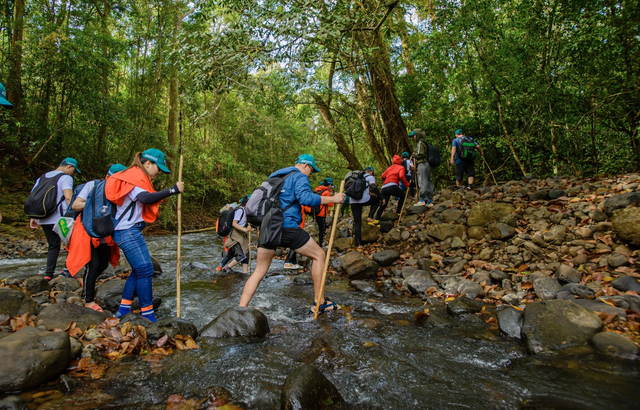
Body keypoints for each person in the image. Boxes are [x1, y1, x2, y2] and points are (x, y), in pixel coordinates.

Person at [239, 154, 345, 314]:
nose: (311, 174)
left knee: (259, 271)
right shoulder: (299, 176)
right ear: (305, 166)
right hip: (286, 226)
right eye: (311, 170)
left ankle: (240, 309)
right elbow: (306, 198)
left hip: (268, 227)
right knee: (319, 255)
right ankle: (320, 302)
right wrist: (334, 198)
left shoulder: (277, 176)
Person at [105, 149, 184, 322]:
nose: (158, 173)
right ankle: (148, 315)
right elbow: (145, 198)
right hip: (127, 230)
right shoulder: (134, 177)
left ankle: (124, 309)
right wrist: (172, 190)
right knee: (146, 270)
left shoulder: (133, 175)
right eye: (158, 168)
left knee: (138, 270)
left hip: (126, 230)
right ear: (148, 163)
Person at [66, 164, 126, 312]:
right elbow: (75, 205)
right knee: (93, 265)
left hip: (105, 232)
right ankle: (88, 300)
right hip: (87, 230)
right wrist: (96, 204)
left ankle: (87, 282)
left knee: (103, 264)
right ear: (107, 177)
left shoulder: (121, 190)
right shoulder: (92, 185)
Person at [29, 158, 80, 280]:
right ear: (69, 167)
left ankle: (48, 275)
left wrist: (33, 216)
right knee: (72, 243)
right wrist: (75, 214)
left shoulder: (42, 177)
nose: (73, 173)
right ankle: (67, 270)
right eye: (74, 170)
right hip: (60, 219)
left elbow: (33, 197)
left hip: (44, 217)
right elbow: (68, 197)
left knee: (53, 246)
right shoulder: (66, 178)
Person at [350, 166, 383, 247]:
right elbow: (374, 187)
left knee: (357, 222)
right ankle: (370, 216)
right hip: (364, 199)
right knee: (376, 200)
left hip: (353, 201)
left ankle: (359, 244)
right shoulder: (370, 177)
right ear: (371, 172)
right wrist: (381, 197)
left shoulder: (356, 177)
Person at [217, 196, 251, 274]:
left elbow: (242, 222)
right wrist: (245, 229)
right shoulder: (240, 210)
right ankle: (226, 269)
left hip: (240, 235)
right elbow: (234, 224)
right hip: (236, 236)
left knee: (240, 254)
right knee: (242, 255)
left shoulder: (244, 211)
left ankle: (244, 273)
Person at [376, 155, 410, 220]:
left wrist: (387, 180)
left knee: (384, 203)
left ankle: (377, 219)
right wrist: (407, 184)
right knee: (402, 196)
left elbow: (382, 176)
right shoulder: (401, 167)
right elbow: (402, 176)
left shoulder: (389, 168)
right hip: (392, 186)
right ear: (400, 161)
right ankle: (398, 212)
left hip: (384, 187)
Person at [410, 129, 434, 206]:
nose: (413, 138)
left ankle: (422, 200)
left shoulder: (420, 143)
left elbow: (420, 154)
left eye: (413, 136)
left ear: (417, 135)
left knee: (422, 180)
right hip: (426, 164)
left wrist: (413, 155)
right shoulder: (424, 143)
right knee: (428, 180)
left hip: (422, 164)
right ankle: (430, 200)